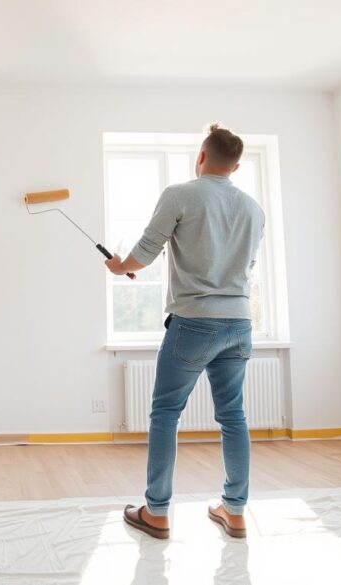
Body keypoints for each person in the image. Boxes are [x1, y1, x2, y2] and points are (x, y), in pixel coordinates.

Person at [104, 123, 265, 540]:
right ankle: (235, 511)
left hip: (194, 322)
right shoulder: (253, 209)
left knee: (165, 414)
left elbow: (144, 253)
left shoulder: (180, 195)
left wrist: (121, 266)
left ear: (201, 156)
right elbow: (243, 267)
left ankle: (156, 512)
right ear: (236, 165)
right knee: (233, 416)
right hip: (239, 322)